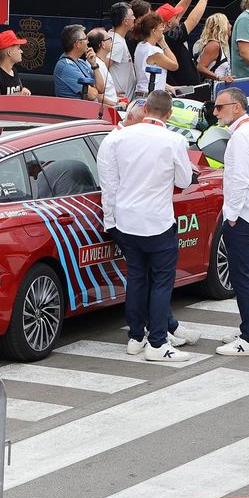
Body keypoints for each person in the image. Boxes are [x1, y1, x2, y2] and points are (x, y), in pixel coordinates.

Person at [96, 90, 198, 363]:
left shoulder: (120, 137)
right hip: (157, 220)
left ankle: (136, 336)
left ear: (146, 109)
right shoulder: (174, 139)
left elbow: (112, 181)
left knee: (138, 279)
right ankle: (157, 343)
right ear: (169, 113)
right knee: (162, 282)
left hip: (127, 219)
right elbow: (185, 180)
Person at [215, 87, 249, 358]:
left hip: (243, 215)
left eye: (220, 106)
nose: (216, 112)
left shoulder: (240, 137)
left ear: (236, 107)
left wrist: (232, 215)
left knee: (242, 278)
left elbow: (239, 180)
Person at [128, 13, 175, 98]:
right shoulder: (155, 51)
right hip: (151, 98)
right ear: (154, 30)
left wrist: (168, 87)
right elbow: (175, 65)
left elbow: (147, 77)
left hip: (141, 95)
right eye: (161, 26)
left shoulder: (140, 45)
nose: (163, 30)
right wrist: (163, 43)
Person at [53, 23, 102, 100]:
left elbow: (101, 88)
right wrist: (94, 89)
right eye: (86, 39)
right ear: (77, 44)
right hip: (75, 111)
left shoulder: (81, 62)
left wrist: (94, 65)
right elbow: (92, 95)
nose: (88, 42)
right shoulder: (66, 66)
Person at [194, 12, 233, 83]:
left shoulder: (220, 45)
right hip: (212, 89)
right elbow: (200, 67)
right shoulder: (214, 45)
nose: (230, 26)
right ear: (221, 27)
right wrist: (219, 78)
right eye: (227, 23)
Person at [0, 29, 28, 96]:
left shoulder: (14, 71)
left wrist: (24, 92)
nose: (21, 51)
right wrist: (17, 95)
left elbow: (20, 94)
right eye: (18, 48)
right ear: (9, 52)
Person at [106, 2, 135, 90]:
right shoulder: (117, 44)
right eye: (133, 15)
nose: (135, 18)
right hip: (119, 101)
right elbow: (103, 67)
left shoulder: (116, 39)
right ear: (125, 21)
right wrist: (111, 92)